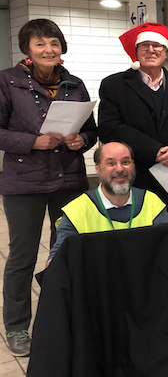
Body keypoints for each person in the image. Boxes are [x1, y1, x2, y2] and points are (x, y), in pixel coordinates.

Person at [0, 19, 98, 357]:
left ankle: (66, 316)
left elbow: (92, 130)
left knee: (70, 250)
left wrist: (80, 140)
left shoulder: (75, 83)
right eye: (40, 43)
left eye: (54, 43)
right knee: (23, 256)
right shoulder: (7, 81)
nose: (48, 50)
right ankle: (16, 326)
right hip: (24, 182)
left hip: (68, 179)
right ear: (27, 48)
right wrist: (33, 142)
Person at [98, 23, 168, 224]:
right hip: (134, 178)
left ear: (166, 51)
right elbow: (109, 128)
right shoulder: (114, 85)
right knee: (138, 240)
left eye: (157, 45)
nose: (151, 50)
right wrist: (154, 150)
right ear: (136, 50)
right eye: (145, 45)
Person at [47, 142, 168, 263]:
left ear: (133, 165)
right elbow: (58, 259)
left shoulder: (151, 202)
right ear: (97, 168)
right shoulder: (77, 209)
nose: (119, 169)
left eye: (125, 162)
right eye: (111, 163)